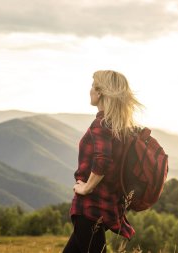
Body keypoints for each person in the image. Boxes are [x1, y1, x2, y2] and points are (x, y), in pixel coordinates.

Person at [62, 70, 142, 253]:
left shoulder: (102, 124)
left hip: (91, 207)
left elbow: (102, 160)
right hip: (108, 206)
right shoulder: (123, 129)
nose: (89, 90)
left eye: (92, 86)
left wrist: (86, 188)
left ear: (100, 93)